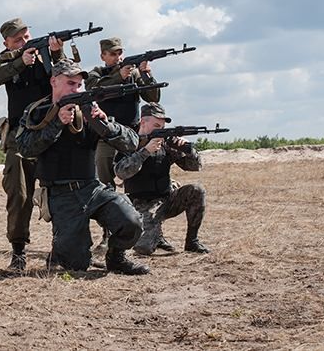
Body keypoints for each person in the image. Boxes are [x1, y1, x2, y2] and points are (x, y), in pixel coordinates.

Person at [15, 59, 150, 275]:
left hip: (92, 188)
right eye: (70, 83)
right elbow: (25, 148)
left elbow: (132, 143)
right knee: (77, 264)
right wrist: (57, 122)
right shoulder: (37, 112)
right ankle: (61, 251)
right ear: (54, 82)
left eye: (79, 85)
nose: (76, 89)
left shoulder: (89, 111)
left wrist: (105, 124)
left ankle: (116, 259)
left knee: (131, 222)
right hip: (60, 195)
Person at [0, 18, 65, 271]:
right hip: (20, 135)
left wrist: (57, 54)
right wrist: (19, 62)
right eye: (18, 40)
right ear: (6, 43)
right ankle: (18, 252)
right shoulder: (7, 61)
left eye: (27, 36)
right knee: (19, 193)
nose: (25, 42)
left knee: (59, 191)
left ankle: (59, 246)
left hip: (50, 133)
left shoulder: (46, 56)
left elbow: (69, 78)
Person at [85, 37, 163, 250]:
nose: (117, 57)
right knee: (105, 184)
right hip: (106, 136)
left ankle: (153, 232)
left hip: (132, 136)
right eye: (112, 53)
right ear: (103, 56)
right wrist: (119, 77)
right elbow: (94, 90)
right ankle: (109, 233)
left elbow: (153, 97)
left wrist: (145, 73)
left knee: (145, 181)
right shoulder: (97, 74)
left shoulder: (134, 74)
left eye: (119, 53)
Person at [114, 102, 210, 255]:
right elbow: (121, 172)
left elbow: (194, 166)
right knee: (143, 248)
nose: (161, 130)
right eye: (157, 125)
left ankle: (192, 241)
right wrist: (145, 152)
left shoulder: (165, 144)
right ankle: (156, 236)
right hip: (141, 204)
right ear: (143, 122)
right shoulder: (129, 143)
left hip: (166, 200)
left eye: (163, 126)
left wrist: (188, 149)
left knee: (196, 190)